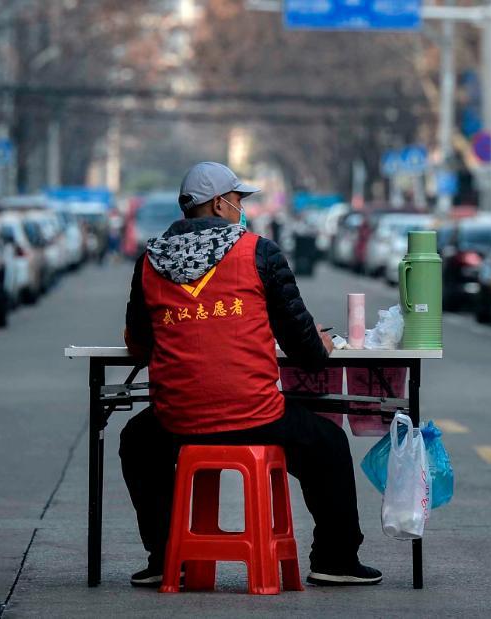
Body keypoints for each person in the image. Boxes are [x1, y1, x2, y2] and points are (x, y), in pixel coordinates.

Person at [120, 162, 381, 588]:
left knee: (136, 441)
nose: (241, 208)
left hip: (177, 419)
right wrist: (322, 343)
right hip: (255, 415)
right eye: (238, 200)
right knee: (328, 444)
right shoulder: (259, 253)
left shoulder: (150, 261)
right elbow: (305, 352)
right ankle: (335, 558)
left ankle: (167, 558)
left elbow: (140, 345)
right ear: (220, 204)